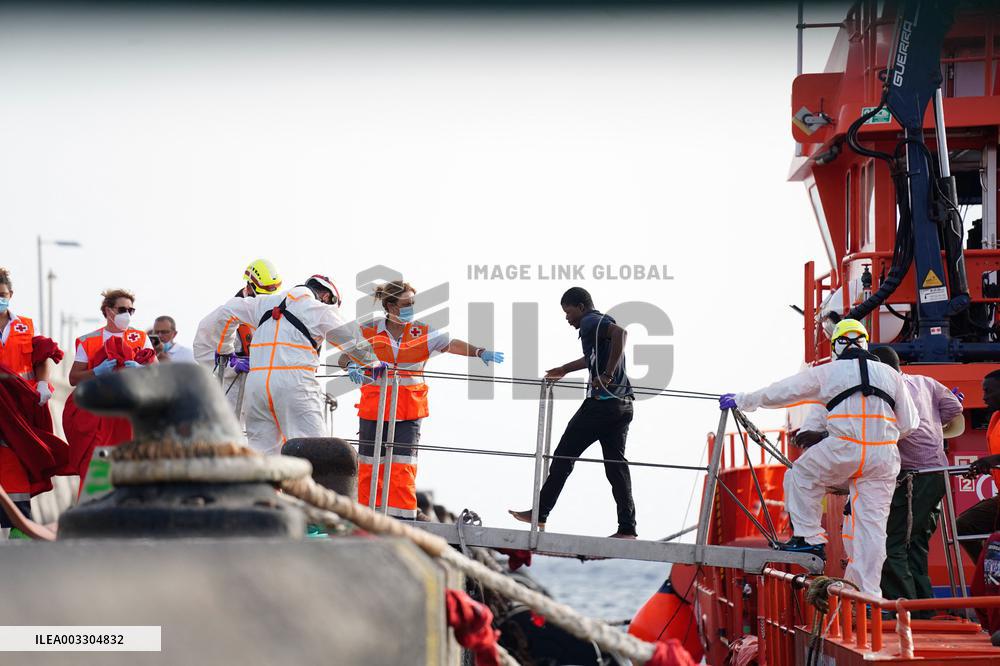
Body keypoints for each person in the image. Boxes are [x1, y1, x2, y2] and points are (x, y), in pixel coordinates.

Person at [718, 319, 918, 598]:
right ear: (865, 343)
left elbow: (783, 391)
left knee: (800, 475)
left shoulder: (829, 372)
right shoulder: (890, 375)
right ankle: (868, 594)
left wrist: (743, 400)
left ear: (836, 346)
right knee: (872, 528)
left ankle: (810, 539)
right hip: (884, 457)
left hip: (843, 449)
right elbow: (909, 423)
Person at [341, 280, 504, 520]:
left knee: (402, 466)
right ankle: (368, 515)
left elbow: (450, 344)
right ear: (390, 306)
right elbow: (343, 358)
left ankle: (404, 516)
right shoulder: (368, 330)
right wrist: (352, 366)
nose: (411, 308)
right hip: (374, 409)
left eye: (413, 304)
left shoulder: (422, 331)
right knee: (369, 465)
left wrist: (479, 352)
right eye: (406, 304)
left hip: (408, 411)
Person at [199, 273, 383, 455]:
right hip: (295, 385)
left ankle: (264, 485)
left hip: (257, 388)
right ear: (327, 296)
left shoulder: (263, 303)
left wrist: (225, 349)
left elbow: (227, 312)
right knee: (315, 453)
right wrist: (372, 363)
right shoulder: (318, 309)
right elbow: (349, 337)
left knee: (263, 456)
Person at [508, 287, 637, 539]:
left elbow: (621, 333)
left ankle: (540, 513)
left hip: (601, 405)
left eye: (568, 312)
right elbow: (591, 357)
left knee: (563, 457)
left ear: (580, 306)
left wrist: (607, 375)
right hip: (622, 404)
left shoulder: (590, 321)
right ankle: (627, 528)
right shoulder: (595, 325)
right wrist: (565, 368)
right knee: (616, 468)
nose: (567, 318)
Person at [869, 346, 963, 605]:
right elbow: (954, 409)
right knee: (915, 546)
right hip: (937, 474)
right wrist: (932, 425)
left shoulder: (884, 392)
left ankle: (907, 612)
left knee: (888, 547)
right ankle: (924, 609)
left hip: (914, 478)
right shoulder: (926, 382)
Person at [63, 288, 157, 478]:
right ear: (108, 310)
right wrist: (96, 372)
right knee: (100, 472)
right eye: (122, 309)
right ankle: (97, 504)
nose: (127, 314)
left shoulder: (139, 337)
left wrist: (140, 369)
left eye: (131, 310)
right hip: (99, 415)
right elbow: (73, 378)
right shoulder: (88, 341)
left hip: (130, 415)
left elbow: (158, 373)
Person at [0, 267, 65, 537]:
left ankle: (19, 523)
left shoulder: (24, 325)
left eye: (2, 294)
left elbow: (41, 355)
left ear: (11, 294)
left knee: (17, 460)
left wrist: (41, 383)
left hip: (19, 411)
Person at [193, 259, 283, 419]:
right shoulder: (223, 316)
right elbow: (201, 351)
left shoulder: (273, 317)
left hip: (262, 389)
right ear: (248, 288)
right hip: (231, 389)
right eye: (262, 296)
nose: (264, 302)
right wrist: (231, 367)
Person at [956, 369, 1000, 562]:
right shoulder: (995, 419)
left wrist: (991, 461)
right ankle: (990, 575)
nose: (984, 397)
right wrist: (983, 467)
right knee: (965, 525)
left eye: (988, 391)